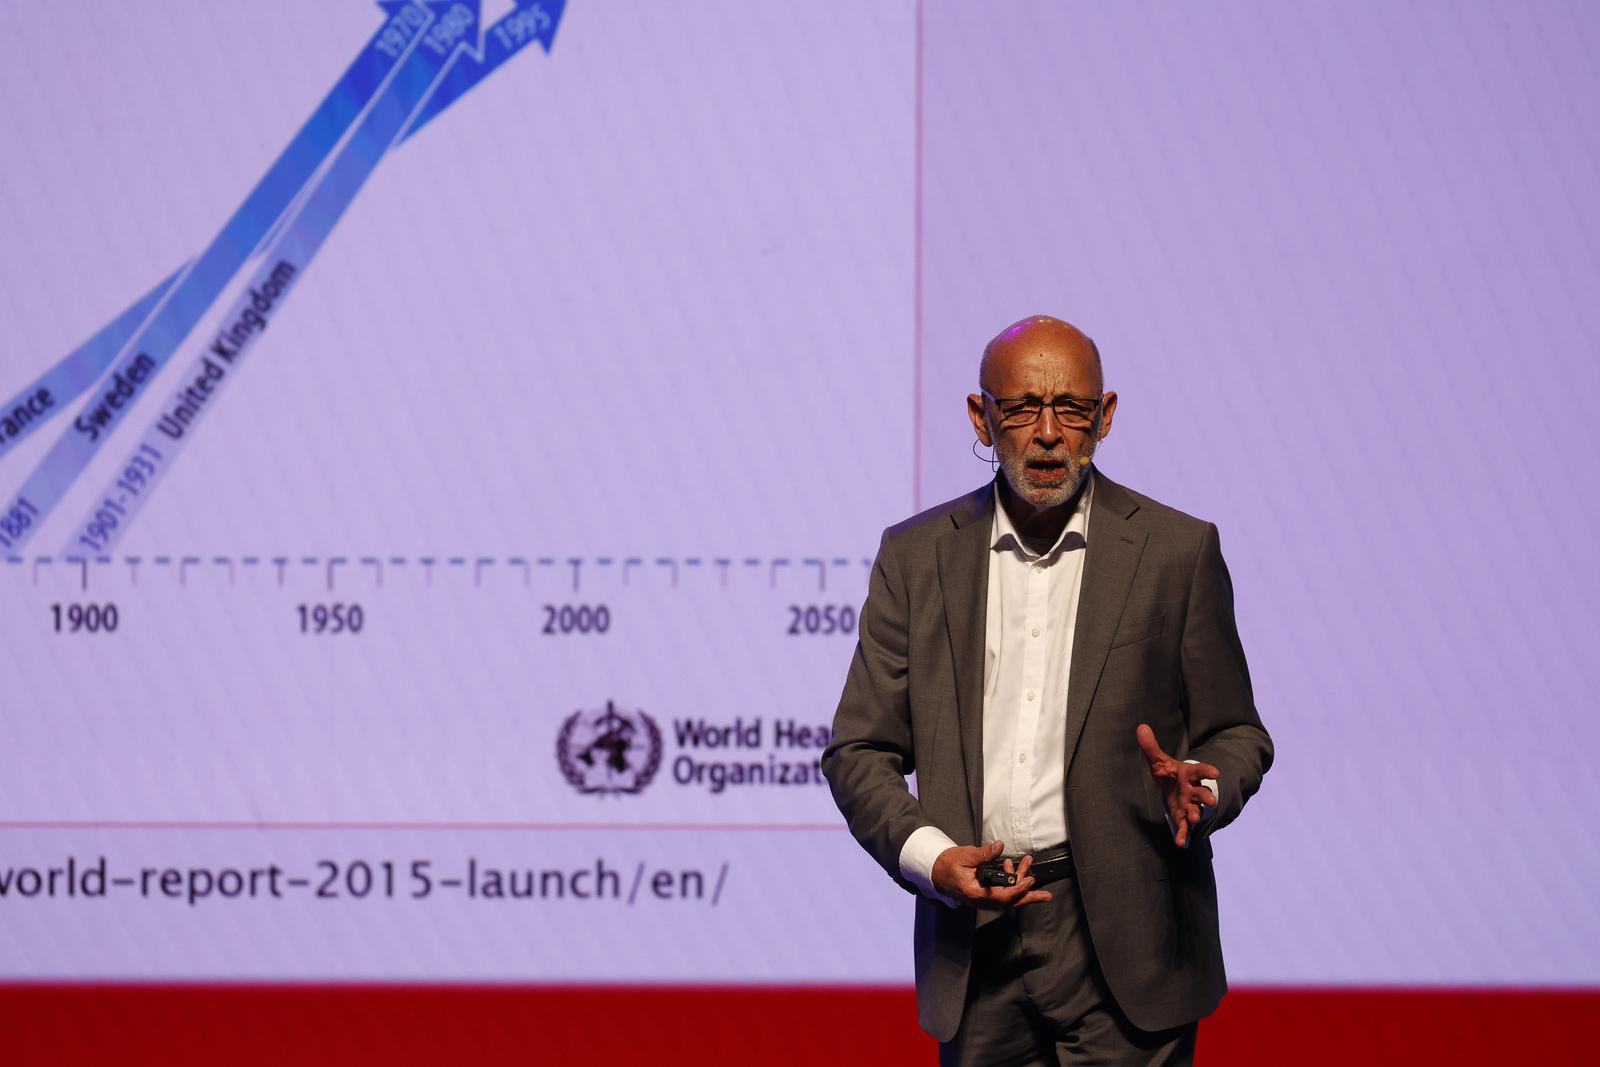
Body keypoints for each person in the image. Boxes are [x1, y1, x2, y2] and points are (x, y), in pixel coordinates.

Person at [822, 316, 1273, 1065]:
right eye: (1024, 407)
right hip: (975, 935)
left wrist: (1205, 785)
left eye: (1072, 408)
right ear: (982, 416)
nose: (1048, 432)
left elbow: (1238, 733)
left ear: (1106, 417)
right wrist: (933, 859)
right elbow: (858, 748)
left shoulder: (1176, 550)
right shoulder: (916, 555)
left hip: (1131, 939)